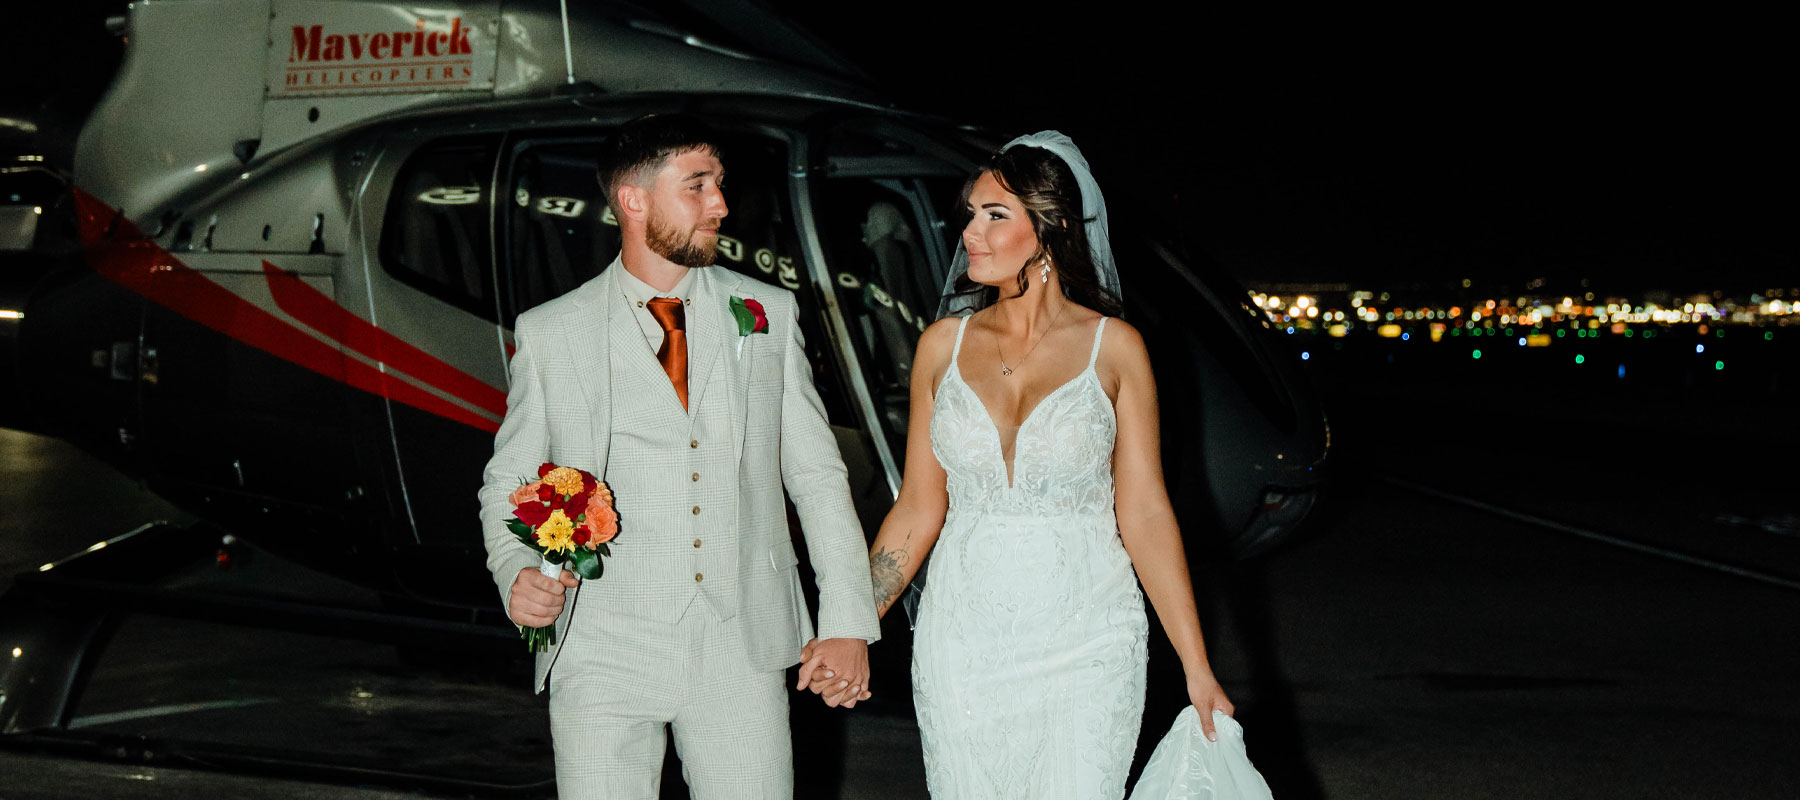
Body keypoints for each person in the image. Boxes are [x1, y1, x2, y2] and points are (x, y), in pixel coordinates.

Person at [802, 131, 1234, 798]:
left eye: (994, 215)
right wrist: (853, 624)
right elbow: (918, 506)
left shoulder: (1115, 349)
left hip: (1088, 635)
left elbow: (1145, 513)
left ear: (1051, 227)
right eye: (970, 213)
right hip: (962, 638)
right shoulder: (942, 347)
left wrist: (1197, 667)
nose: (970, 233)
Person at [477, 114, 879, 800]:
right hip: (601, 639)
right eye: (697, 186)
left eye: (719, 185)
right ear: (634, 200)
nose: (721, 204)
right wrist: (516, 569)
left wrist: (846, 623)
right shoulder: (552, 332)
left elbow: (815, 475)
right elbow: (507, 480)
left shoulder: (766, 312)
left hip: (739, 640)